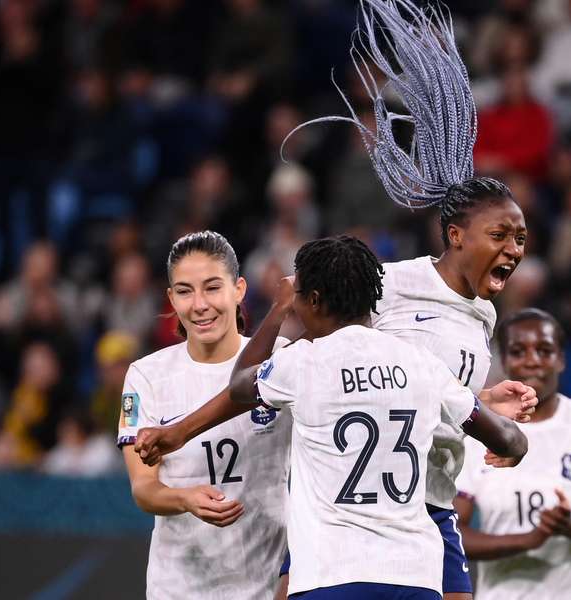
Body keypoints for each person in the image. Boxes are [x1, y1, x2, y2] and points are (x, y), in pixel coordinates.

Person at [286, 3, 531, 598]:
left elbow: (426, 392)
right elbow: (317, 351)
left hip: (434, 499)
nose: (514, 248)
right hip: (360, 502)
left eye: (521, 237)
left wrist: (480, 401)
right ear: (455, 236)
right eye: (499, 235)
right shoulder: (390, 284)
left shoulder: (484, 315)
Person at [133, 235, 533, 600]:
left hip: (331, 573)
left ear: (314, 301)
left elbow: (240, 382)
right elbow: (508, 438)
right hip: (414, 574)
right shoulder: (422, 364)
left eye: (300, 295)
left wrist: (277, 309)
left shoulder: (302, 362)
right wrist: (509, 445)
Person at [117, 231, 290, 599]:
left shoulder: (283, 361)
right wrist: (184, 498)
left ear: (239, 289)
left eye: (212, 288)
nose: (199, 305)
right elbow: (143, 488)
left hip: (266, 583)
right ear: (171, 298)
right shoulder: (147, 375)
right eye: (184, 291)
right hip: (178, 586)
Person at [454, 308, 571, 600]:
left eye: (544, 350)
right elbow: (454, 534)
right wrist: (528, 540)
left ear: (562, 359)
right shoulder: (480, 431)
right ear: (503, 360)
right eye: (518, 351)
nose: (532, 360)